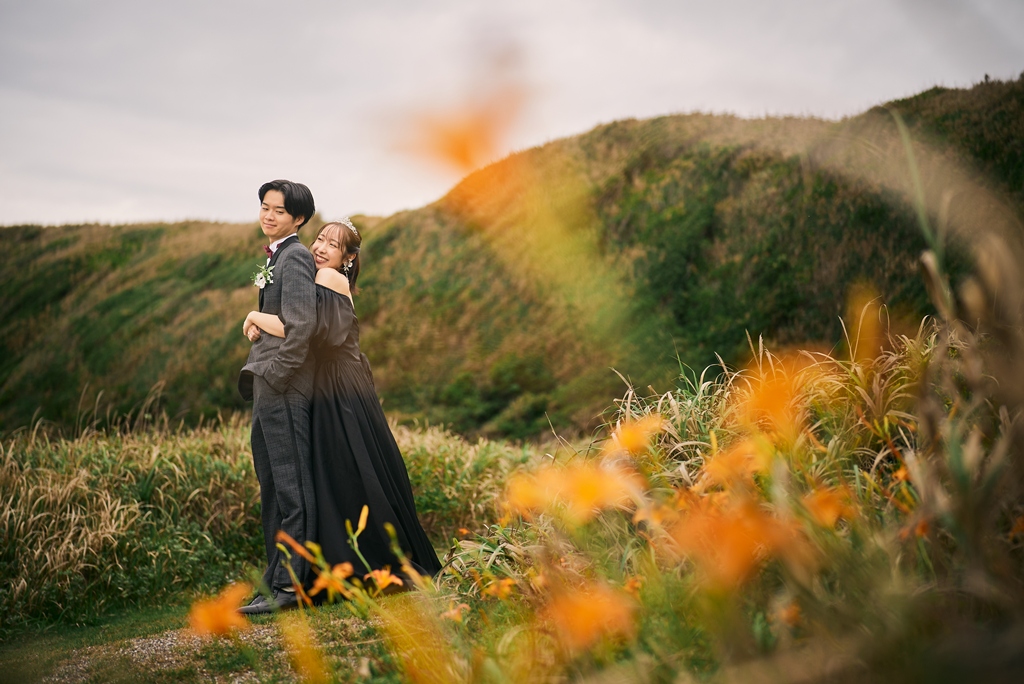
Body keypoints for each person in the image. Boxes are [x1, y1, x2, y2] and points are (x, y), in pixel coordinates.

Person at [243, 218, 442, 590]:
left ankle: (367, 561)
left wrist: (255, 317)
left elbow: (304, 329)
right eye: (319, 239)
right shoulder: (326, 278)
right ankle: (350, 560)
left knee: (349, 470)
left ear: (348, 258)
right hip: (336, 380)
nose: (320, 248)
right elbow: (297, 320)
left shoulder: (328, 278)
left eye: (332, 245)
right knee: (345, 472)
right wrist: (261, 322)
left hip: (339, 384)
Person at [237, 180, 318, 615]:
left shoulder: (296, 256)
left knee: (291, 488)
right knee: (270, 484)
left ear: (298, 218)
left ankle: (291, 588)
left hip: (281, 385)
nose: (268, 216)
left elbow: (302, 326)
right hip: (266, 385)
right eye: (264, 207)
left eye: (279, 211)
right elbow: (283, 320)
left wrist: (278, 375)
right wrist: (258, 323)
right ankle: (274, 582)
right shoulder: (277, 256)